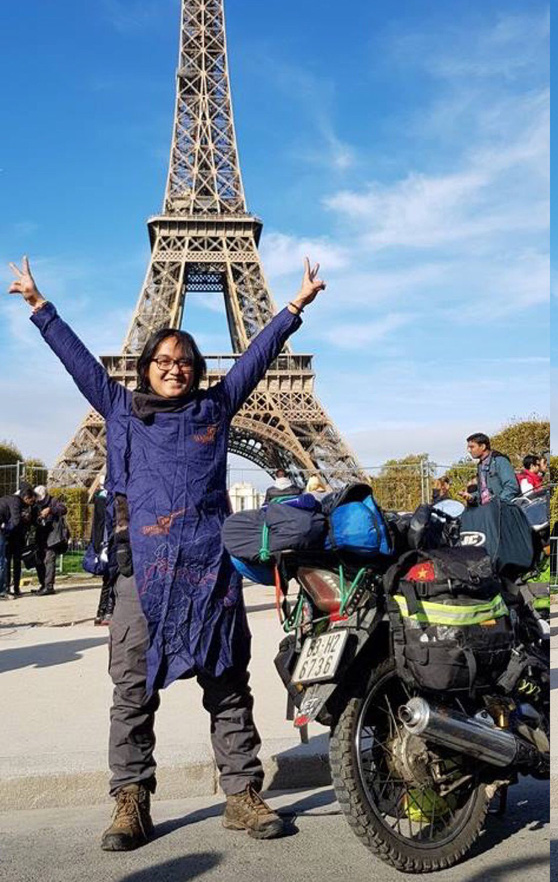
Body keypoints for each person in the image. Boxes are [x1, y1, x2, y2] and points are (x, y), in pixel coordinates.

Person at [9, 253, 326, 851]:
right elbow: (78, 364)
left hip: (210, 571)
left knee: (229, 685)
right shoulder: (122, 410)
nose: (174, 370)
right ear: (145, 369)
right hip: (142, 573)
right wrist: (39, 306)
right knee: (132, 690)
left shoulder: (217, 407)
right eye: (162, 361)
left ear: (198, 370)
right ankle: (131, 800)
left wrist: (293, 306)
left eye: (183, 363)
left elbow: (256, 360)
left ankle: (241, 795)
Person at [31, 484, 69, 595]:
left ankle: (49, 586)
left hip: (52, 537)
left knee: (49, 560)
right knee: (39, 560)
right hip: (41, 535)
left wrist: (50, 510)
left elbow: (64, 509)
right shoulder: (35, 504)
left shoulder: (53, 501)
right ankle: (43, 584)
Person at [90, 476, 117, 625]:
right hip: (111, 542)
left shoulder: (98, 499)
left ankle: (100, 612)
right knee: (113, 578)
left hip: (101, 543)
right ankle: (108, 612)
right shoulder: (110, 499)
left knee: (107, 579)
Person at [0, 486, 34, 599]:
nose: (31, 503)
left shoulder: (16, 501)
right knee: (6, 562)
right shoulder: (16, 501)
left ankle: (12, 588)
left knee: (11, 562)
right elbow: (15, 521)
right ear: (26, 497)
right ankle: (6, 589)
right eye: (31, 500)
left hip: (15, 537)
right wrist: (5, 531)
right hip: (10, 535)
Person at [466, 432, 519, 503]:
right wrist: (472, 496)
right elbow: (484, 492)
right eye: (468, 447)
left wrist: (499, 503)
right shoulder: (480, 466)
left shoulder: (499, 461)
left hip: (503, 510)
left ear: (483, 446)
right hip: (488, 510)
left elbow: (511, 487)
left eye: (472, 447)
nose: (469, 450)